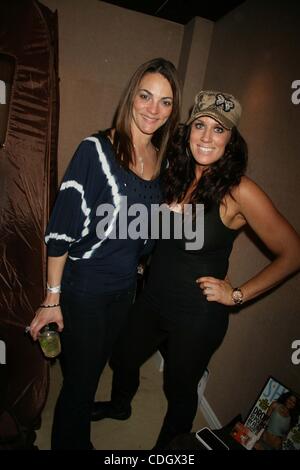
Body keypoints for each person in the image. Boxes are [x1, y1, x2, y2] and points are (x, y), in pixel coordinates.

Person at [91, 90, 300, 449]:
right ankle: (120, 405)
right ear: (188, 131)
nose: (206, 136)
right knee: (123, 354)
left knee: (179, 388)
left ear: (231, 140)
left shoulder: (239, 191)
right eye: (200, 125)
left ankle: (168, 453)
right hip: (154, 298)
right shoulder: (176, 174)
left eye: (219, 130)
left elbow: (293, 253)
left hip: (198, 314)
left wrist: (236, 295)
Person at [29, 57, 181, 450]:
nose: (153, 109)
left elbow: (141, 242)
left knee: (92, 373)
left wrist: (166, 217)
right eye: (146, 96)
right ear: (131, 96)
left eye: (165, 102)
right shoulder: (96, 151)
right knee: (79, 387)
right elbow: (60, 232)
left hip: (124, 292)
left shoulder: (159, 163)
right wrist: (51, 297)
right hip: (85, 291)